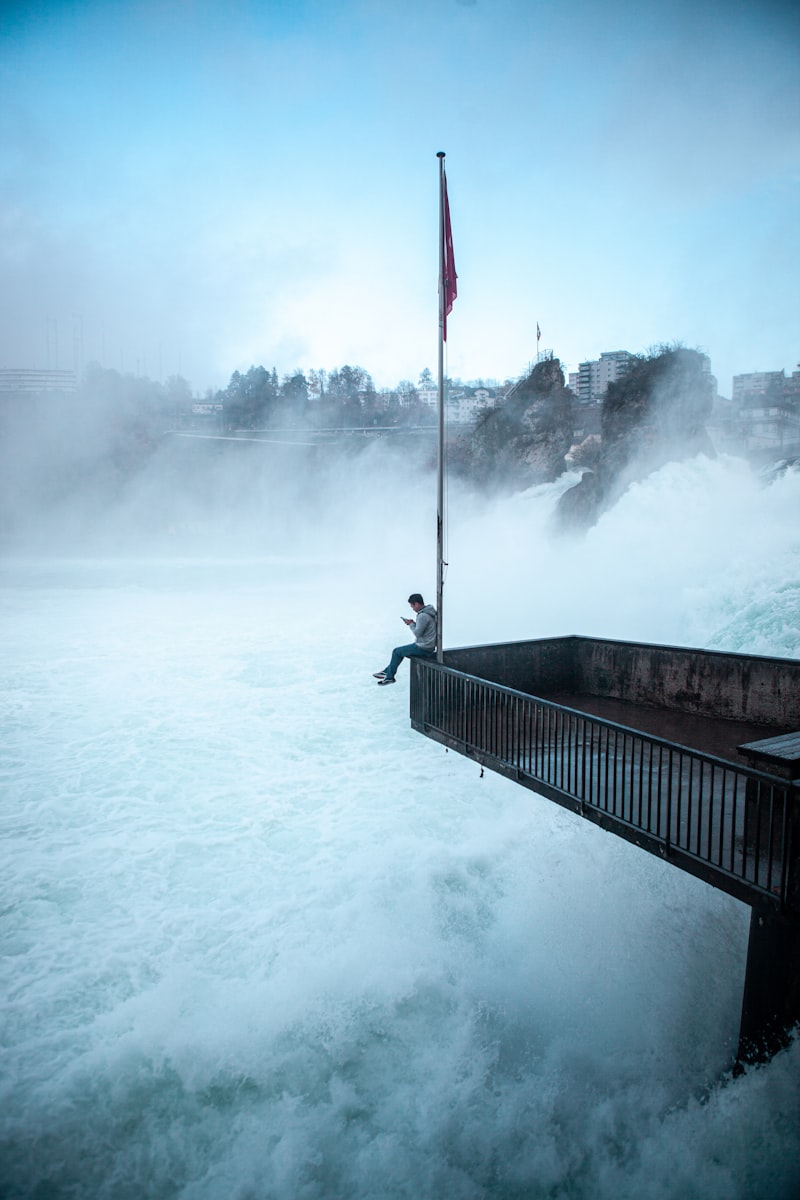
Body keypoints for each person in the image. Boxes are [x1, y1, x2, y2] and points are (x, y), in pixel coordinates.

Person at [374, 594, 437, 685]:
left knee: (397, 651)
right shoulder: (429, 613)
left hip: (424, 647)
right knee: (399, 652)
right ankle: (387, 672)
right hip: (429, 645)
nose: (412, 609)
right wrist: (414, 623)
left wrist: (411, 625)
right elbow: (424, 629)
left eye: (412, 606)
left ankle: (389, 677)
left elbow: (417, 634)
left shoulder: (422, 616)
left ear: (417, 604)